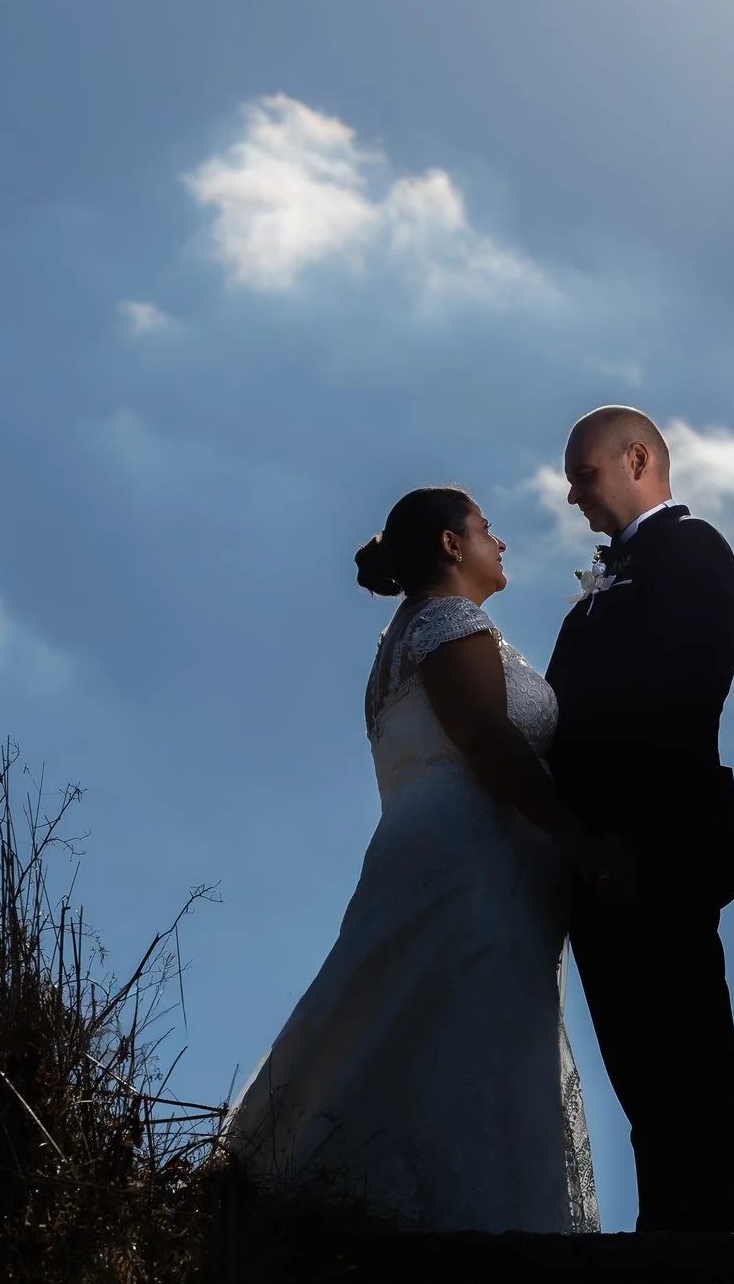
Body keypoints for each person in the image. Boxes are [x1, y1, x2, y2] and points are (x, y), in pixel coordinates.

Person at [222, 486, 623, 1232]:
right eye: (486, 528)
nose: (499, 542)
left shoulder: (398, 643)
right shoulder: (449, 621)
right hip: (472, 858)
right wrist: (576, 835)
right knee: (462, 1031)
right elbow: (486, 737)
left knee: (400, 1017)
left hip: (424, 845)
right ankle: (464, 1227)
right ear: (450, 544)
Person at [548, 406, 734, 1233]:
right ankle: (662, 1239)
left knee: (690, 1060)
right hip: (595, 865)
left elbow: (685, 690)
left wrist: (626, 837)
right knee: (639, 1068)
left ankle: (700, 1250)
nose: (572, 497)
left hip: (657, 851)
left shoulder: (693, 550)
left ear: (637, 458)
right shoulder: (596, 592)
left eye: (583, 476)